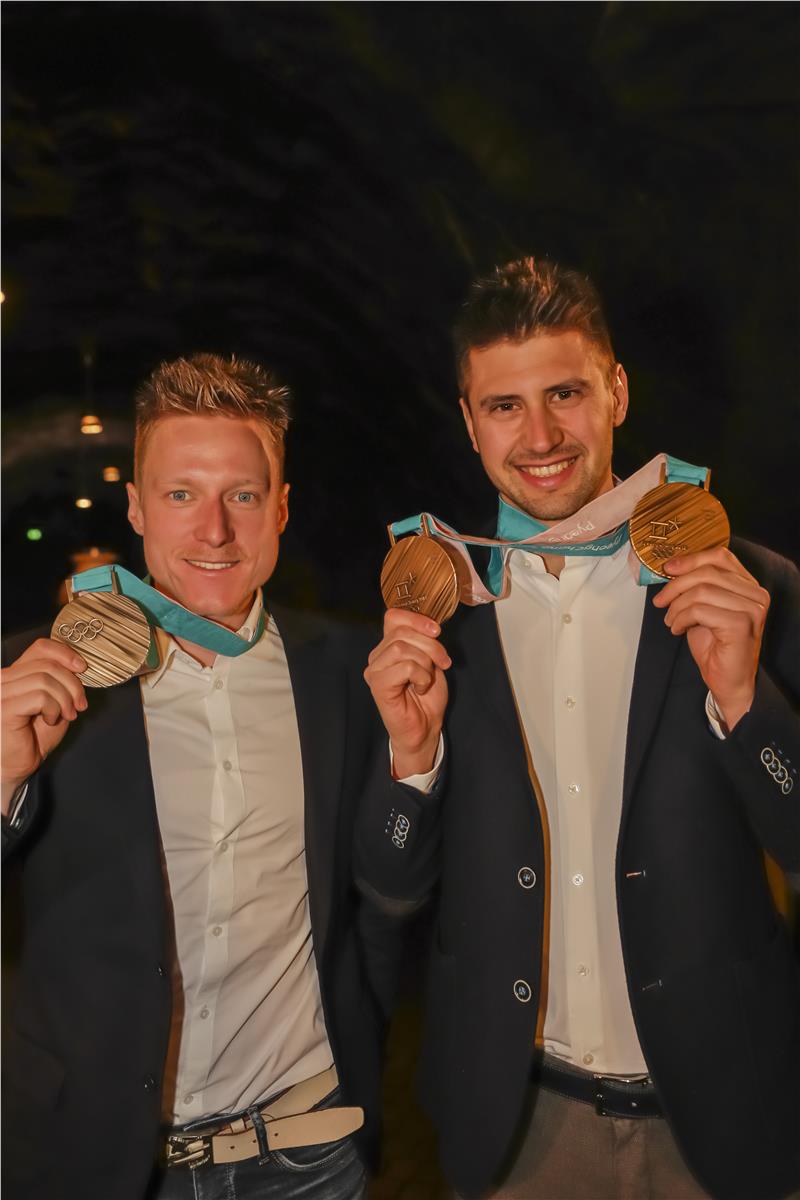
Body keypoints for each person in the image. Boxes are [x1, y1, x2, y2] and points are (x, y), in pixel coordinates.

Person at [361, 258, 800, 1200]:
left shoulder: (754, 587)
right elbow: (390, 886)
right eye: (505, 406)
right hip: (522, 1129)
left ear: (617, 392)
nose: (541, 436)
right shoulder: (437, 622)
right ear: (470, 421)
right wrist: (410, 762)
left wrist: (744, 701)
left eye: (565, 393)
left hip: (729, 1119)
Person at [0, 353, 428, 1200]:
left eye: (242, 495)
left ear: (281, 508)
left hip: (308, 1156)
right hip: (96, 1159)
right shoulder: (27, 679)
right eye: (181, 494)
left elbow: (390, 895)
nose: (214, 532)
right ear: (137, 507)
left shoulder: (348, 671)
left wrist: (415, 764)